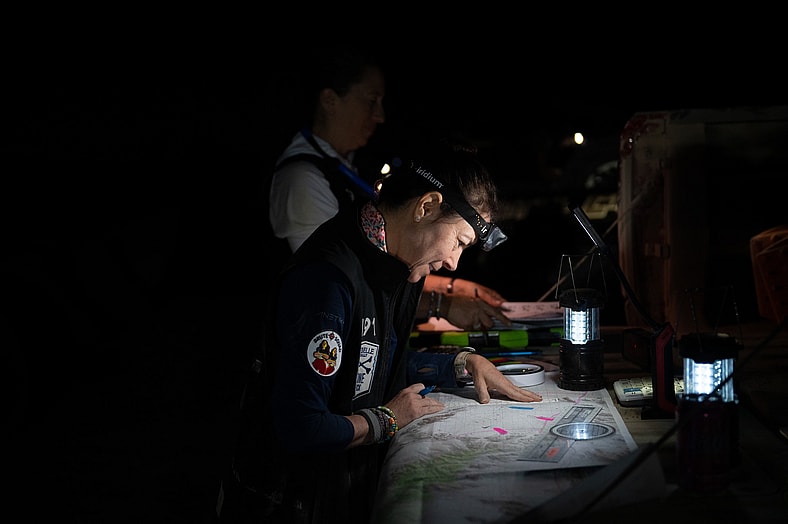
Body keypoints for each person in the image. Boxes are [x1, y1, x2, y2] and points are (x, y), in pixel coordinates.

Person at [218, 137, 543, 523]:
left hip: (338, 491)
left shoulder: (392, 263)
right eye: (458, 241)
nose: (455, 263)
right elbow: (300, 427)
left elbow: (371, 369)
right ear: (426, 207)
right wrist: (386, 420)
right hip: (288, 502)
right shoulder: (328, 280)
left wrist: (459, 364)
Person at [268, 44, 509, 331]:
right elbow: (350, 282)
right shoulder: (303, 179)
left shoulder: (341, 168)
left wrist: (454, 287)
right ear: (330, 100)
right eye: (372, 101)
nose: (380, 116)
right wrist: (444, 299)